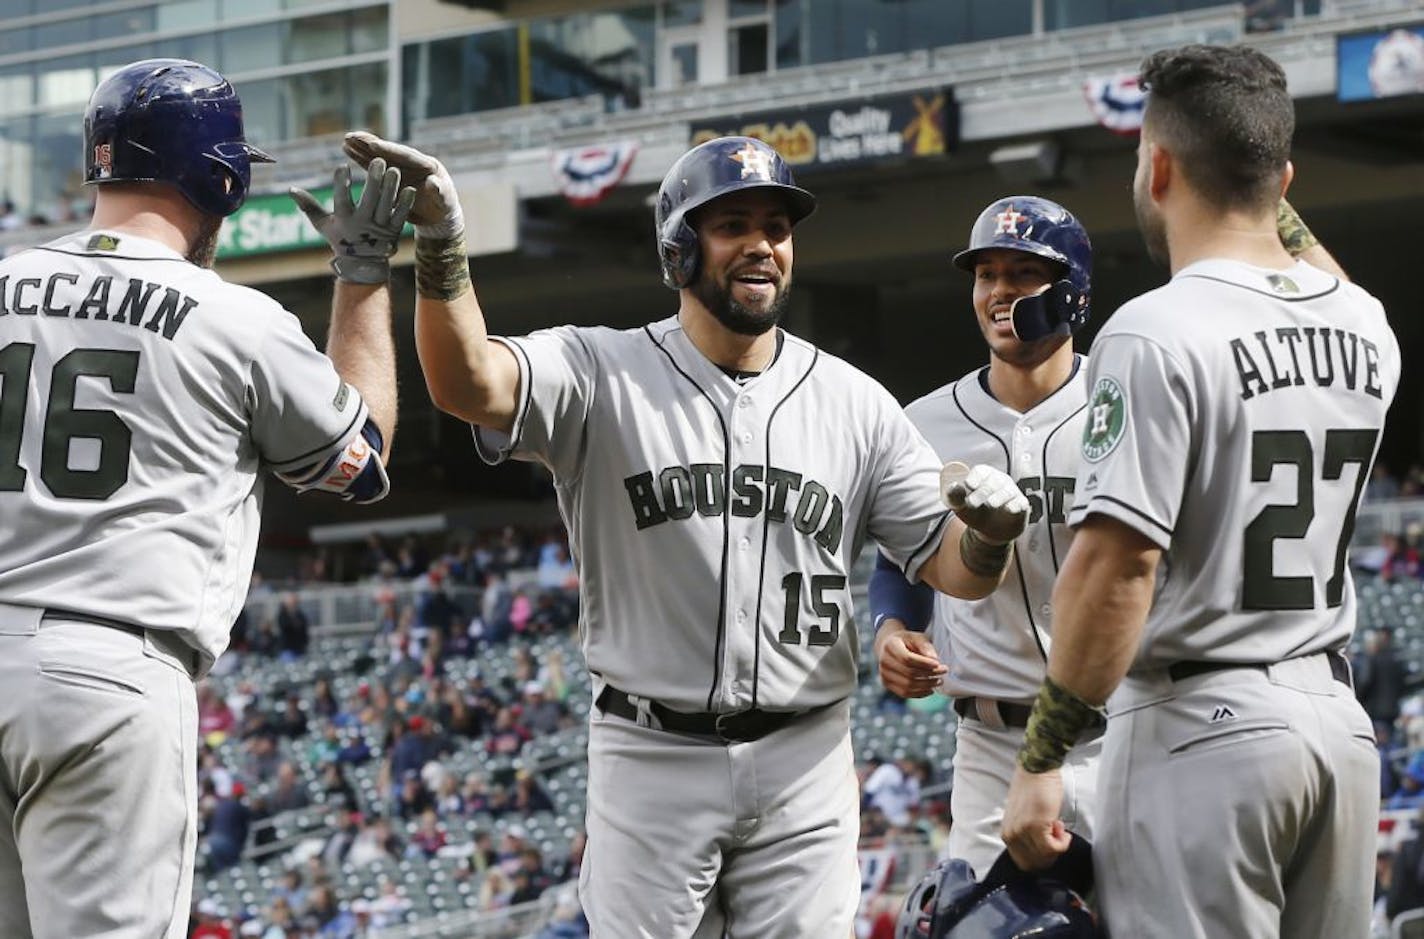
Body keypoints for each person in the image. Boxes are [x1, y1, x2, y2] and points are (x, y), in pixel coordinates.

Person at [342, 130, 1032, 938]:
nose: (761, 245)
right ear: (678, 248)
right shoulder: (600, 370)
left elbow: (954, 571)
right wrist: (443, 249)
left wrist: (986, 538)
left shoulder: (855, 403)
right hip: (651, 752)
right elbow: (467, 384)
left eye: (776, 226)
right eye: (732, 223)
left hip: (803, 756)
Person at [0, 58, 414, 939]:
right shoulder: (234, 318)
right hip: (107, 672)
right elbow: (363, 459)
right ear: (221, 180)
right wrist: (363, 270)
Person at [1000, 44, 1400, 938]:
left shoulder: (1154, 329)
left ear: (1160, 166)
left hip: (1202, 729)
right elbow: (1301, 244)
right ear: (1282, 176)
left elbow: (1118, 567)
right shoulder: (1365, 323)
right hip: (1337, 728)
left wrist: (1041, 757)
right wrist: (1249, 150)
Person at [870, 195, 1101, 875]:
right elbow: (899, 560)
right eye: (986, 274)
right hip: (990, 745)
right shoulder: (924, 421)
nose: (1000, 292)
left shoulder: (1123, 401)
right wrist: (890, 629)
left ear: (1071, 292)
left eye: (1023, 273)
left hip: (1123, 731)